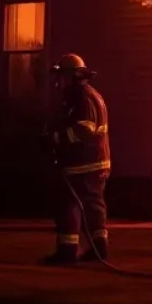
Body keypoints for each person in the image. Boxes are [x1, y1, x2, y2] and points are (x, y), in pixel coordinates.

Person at [42, 52, 111, 266]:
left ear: (73, 76)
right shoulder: (88, 95)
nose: (58, 81)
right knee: (92, 206)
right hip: (93, 162)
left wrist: (56, 138)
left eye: (61, 76)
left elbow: (85, 129)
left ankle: (67, 251)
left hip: (82, 164)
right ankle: (99, 248)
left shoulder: (81, 97)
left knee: (69, 205)